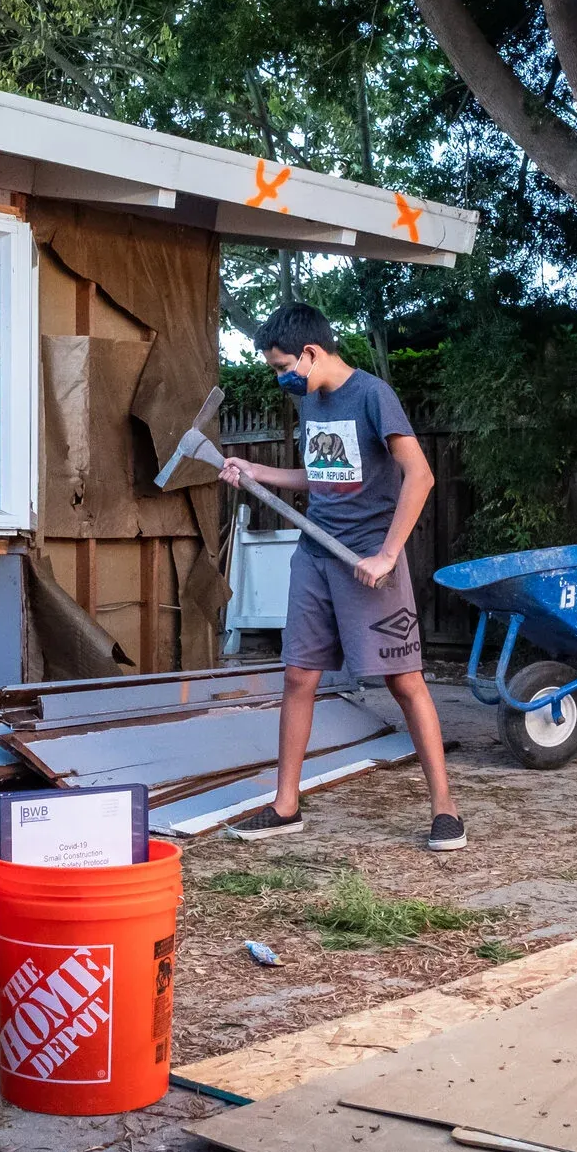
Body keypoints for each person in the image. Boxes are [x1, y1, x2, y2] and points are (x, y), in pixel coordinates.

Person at [219, 303, 462, 850]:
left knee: (404, 681)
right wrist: (256, 472)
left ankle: (445, 808)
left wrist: (387, 554)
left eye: (283, 367)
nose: (280, 378)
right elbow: (321, 475)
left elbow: (419, 475)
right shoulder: (312, 401)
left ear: (310, 353)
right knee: (299, 677)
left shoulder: (372, 396)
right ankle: (286, 806)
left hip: (368, 560)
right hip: (316, 555)